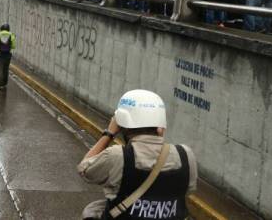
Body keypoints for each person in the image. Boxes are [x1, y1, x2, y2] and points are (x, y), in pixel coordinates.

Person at [78, 89, 197, 220]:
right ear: (161, 128)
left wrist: (109, 133)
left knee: (92, 211)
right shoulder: (185, 154)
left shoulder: (118, 156)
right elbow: (188, 189)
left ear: (123, 126)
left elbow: (85, 170)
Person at [0, 23, 16, 90]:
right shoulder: (11, 35)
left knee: (0, 70)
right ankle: (4, 84)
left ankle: (1, 85)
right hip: (8, 55)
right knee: (6, 69)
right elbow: (13, 46)